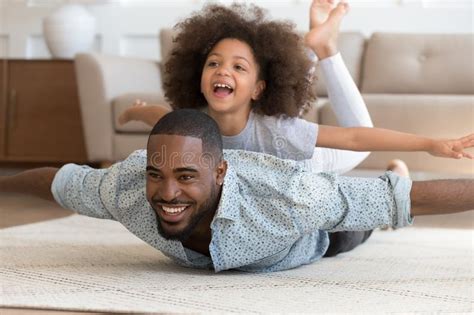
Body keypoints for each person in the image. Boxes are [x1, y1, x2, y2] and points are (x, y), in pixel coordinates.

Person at [1, 110, 473, 273]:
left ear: (220, 171)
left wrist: (396, 193)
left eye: (187, 176)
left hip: (309, 240)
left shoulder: (292, 195)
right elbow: (60, 181)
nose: (167, 192)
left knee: (363, 222)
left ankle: (395, 169)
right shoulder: (122, 187)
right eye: (156, 174)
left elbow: (408, 201)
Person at [119, 0, 375, 174]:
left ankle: (325, 48)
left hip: (304, 165)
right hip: (278, 165)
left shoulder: (277, 128)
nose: (223, 70)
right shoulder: (193, 122)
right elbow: (158, 116)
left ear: (259, 88)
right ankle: (319, 42)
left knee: (362, 139)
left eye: (238, 67)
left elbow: (357, 137)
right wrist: (135, 112)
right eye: (214, 63)